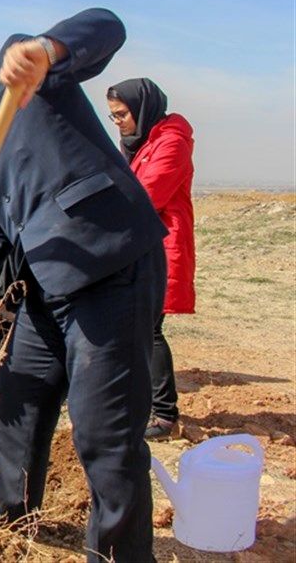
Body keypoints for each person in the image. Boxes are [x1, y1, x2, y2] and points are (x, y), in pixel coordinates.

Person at [0, 9, 168, 562]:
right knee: (19, 396)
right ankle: (9, 509)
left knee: (103, 432)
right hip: (45, 285)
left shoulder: (21, 70)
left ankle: (119, 555)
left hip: (106, 265)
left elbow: (106, 26)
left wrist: (46, 51)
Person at [107, 78, 195, 439]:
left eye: (122, 114)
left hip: (161, 246)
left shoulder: (171, 142)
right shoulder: (143, 142)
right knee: (135, 326)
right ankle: (137, 403)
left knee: (149, 328)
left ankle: (164, 415)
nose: (118, 123)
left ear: (142, 109)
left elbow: (147, 194)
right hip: (140, 244)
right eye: (113, 117)